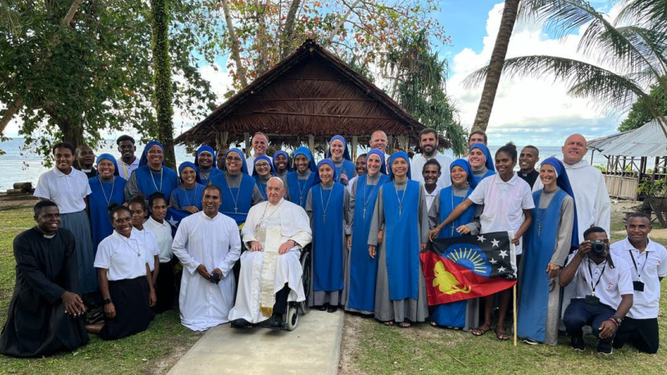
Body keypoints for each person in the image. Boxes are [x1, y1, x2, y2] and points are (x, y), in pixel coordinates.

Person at [430, 143, 534, 340]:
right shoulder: (487, 183)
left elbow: (529, 217)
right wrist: (441, 226)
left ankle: (501, 325)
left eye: (505, 161)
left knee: (505, 284)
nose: (501, 164)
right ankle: (485, 322)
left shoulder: (523, 186)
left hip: (509, 243)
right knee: (487, 281)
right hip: (487, 240)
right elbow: (464, 205)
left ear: (513, 162)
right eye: (499, 161)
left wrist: (519, 234)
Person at [0, 201, 89, 357]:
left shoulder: (66, 236)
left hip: (59, 289)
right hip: (32, 292)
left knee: (69, 315)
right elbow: (31, 274)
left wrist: (74, 296)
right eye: (48, 216)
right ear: (36, 218)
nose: (54, 219)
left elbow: (71, 269)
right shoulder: (23, 241)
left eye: (56, 215)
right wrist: (62, 294)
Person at [229, 178, 313, 328]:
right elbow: (247, 231)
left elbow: (306, 233)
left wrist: (291, 242)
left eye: (277, 189)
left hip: (284, 248)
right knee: (248, 261)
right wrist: (252, 242)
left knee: (283, 262)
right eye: (270, 189)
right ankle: (246, 313)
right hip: (260, 247)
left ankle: (277, 312)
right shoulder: (255, 209)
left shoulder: (295, 209)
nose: (273, 192)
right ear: (266, 190)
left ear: (283, 191)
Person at [518, 157, 577, 346]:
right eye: (543, 171)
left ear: (557, 174)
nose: (545, 175)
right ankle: (523, 329)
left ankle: (544, 335)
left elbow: (565, 233)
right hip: (531, 252)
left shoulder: (565, 200)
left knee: (547, 291)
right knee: (528, 289)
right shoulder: (534, 196)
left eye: (550, 171)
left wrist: (557, 260)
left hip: (550, 254)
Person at [368, 152, 429, 328]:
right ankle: (388, 313)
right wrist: (372, 240)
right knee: (389, 275)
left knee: (410, 273)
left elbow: (423, 214)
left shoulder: (417, 187)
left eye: (403, 162)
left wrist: (424, 237)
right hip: (390, 239)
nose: (400, 166)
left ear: (408, 166)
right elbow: (377, 216)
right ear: (390, 167)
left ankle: (408, 315)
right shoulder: (384, 189)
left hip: (412, 238)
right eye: (396, 163)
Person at [172, 185, 242, 330]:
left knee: (222, 312)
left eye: (215, 198)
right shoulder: (188, 222)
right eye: (207, 197)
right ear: (202, 199)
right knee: (193, 311)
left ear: (220, 201)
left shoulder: (229, 223)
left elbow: (236, 249)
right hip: (195, 277)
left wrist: (221, 269)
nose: (210, 201)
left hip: (221, 277)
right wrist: (195, 265)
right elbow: (177, 247)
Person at [34, 142, 97, 295]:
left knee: (83, 255)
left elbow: (85, 202)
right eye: (59, 155)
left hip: (80, 219)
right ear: (53, 157)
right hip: (59, 220)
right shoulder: (46, 177)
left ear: (73, 157)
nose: (63, 159)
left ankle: (86, 292)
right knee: (62, 257)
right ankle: (65, 293)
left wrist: (86, 222)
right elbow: (43, 204)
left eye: (67, 155)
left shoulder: (81, 176)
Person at [560, 227, 633, 355]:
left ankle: (605, 342)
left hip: (607, 306)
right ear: (587, 244)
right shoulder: (578, 256)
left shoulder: (621, 264)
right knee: (572, 319)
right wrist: (579, 255)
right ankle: (576, 336)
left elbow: (628, 298)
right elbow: (563, 281)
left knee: (601, 328)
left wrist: (614, 320)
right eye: (597, 242)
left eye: (606, 241)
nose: (603, 246)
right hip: (582, 303)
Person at [87, 205, 156, 340]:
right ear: (112, 223)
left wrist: (151, 290)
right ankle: (83, 327)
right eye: (119, 220)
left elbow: (146, 265)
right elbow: (102, 275)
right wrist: (108, 301)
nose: (124, 223)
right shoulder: (106, 244)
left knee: (143, 323)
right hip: (121, 290)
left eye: (127, 219)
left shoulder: (139, 240)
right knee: (117, 330)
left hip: (140, 286)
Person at [427, 159, 480, 329]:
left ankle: (460, 321)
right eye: (454, 170)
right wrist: (431, 231)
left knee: (461, 281)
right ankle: (440, 317)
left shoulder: (474, 195)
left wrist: (470, 227)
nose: (457, 173)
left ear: (467, 173)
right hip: (442, 245)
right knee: (443, 280)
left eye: (461, 170)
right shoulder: (442, 193)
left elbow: (481, 220)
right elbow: (431, 218)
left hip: (464, 247)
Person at [611, 213, 667, 354]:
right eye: (632, 226)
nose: (636, 230)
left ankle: (635, 332)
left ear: (650, 228)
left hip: (647, 309)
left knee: (650, 349)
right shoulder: (615, 250)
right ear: (626, 228)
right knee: (615, 345)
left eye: (641, 226)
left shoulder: (660, 251)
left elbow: (659, 276)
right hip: (621, 309)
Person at [345, 149, 389, 315]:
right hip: (359, 230)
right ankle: (354, 304)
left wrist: (382, 230)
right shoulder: (357, 182)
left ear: (381, 164)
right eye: (371, 160)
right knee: (357, 266)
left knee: (373, 267)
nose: (373, 164)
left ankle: (370, 307)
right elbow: (351, 207)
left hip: (375, 230)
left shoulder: (386, 181)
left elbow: (388, 209)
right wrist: (349, 232)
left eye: (377, 161)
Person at [306, 159, 350, 312]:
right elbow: (309, 215)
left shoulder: (342, 190)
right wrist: (309, 235)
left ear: (333, 172)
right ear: (318, 173)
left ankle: (334, 301)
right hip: (318, 234)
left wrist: (348, 233)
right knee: (320, 265)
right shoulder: (313, 191)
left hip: (336, 234)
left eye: (328, 170)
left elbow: (348, 214)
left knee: (335, 264)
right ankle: (320, 300)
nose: (325, 173)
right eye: (322, 170)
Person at [208, 148, 264, 225]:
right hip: (219, 224)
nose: (233, 161)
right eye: (229, 158)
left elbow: (260, 205)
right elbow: (207, 203)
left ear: (242, 162)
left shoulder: (250, 181)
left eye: (237, 158)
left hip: (245, 225)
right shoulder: (214, 181)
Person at [144, 193, 176, 313]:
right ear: (151, 209)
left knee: (169, 299)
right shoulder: (146, 228)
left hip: (168, 264)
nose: (161, 211)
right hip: (155, 267)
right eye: (157, 207)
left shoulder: (167, 224)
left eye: (163, 207)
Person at [88, 154, 127, 253]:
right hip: (97, 223)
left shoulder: (123, 183)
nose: (106, 167)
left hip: (118, 224)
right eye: (102, 164)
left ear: (115, 166)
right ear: (97, 166)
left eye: (109, 164)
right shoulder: (89, 183)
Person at [128, 197, 161, 285]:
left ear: (145, 213)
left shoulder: (150, 233)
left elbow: (156, 258)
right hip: (136, 279)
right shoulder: (127, 236)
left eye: (138, 212)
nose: (134, 215)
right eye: (131, 213)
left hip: (152, 276)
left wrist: (153, 282)